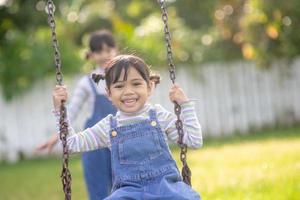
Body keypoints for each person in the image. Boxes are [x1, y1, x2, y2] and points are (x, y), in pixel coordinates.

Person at [52, 55, 203, 200]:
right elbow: (70, 145)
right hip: (127, 193)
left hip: (167, 189)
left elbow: (194, 141)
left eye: (136, 84)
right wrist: (60, 111)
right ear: (109, 93)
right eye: (119, 86)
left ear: (149, 87)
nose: (128, 92)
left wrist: (185, 105)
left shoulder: (159, 116)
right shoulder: (108, 127)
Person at [38, 29, 118, 200]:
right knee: (98, 188)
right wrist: (56, 136)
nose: (105, 55)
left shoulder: (123, 78)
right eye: (99, 51)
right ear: (91, 55)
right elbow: (72, 110)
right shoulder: (87, 82)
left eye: (109, 50)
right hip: (94, 141)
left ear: (116, 50)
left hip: (121, 139)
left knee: (124, 186)